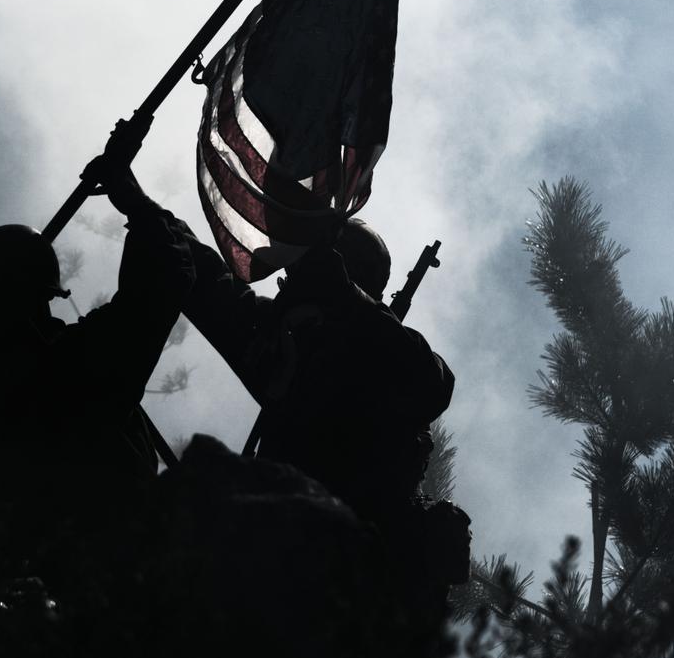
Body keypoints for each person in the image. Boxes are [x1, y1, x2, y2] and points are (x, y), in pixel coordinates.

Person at [178, 217, 464, 654]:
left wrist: (348, 303)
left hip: (356, 591)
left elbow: (434, 385)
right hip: (277, 569)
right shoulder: (288, 342)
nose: (289, 285)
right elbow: (215, 290)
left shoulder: (384, 359)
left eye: (305, 276)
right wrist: (151, 214)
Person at [0, 156, 194, 592]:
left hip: (36, 563)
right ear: (43, 296)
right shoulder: (72, 364)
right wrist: (135, 203)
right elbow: (162, 283)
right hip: (115, 565)